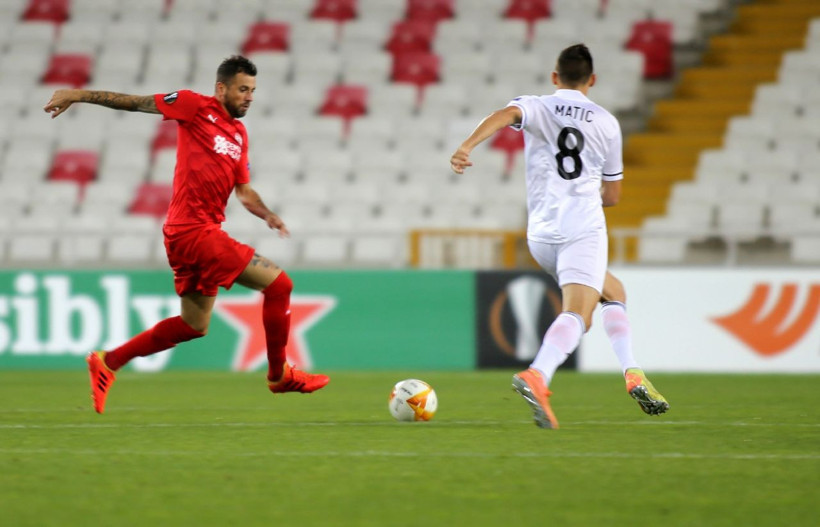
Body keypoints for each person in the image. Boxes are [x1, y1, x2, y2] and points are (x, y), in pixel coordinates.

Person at [44, 55, 330, 414]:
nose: (249, 97)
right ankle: (279, 375)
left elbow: (244, 192)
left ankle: (108, 361)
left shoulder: (239, 135)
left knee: (194, 325)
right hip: (193, 231)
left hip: (191, 234)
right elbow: (135, 103)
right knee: (279, 286)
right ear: (221, 88)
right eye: (243, 89)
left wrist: (267, 214)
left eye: (253, 91)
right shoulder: (193, 106)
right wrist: (77, 94)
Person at [450, 44, 668, 429]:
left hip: (541, 234)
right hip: (581, 229)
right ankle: (538, 374)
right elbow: (613, 196)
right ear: (592, 80)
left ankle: (632, 371)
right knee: (578, 315)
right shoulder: (606, 123)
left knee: (613, 292)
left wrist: (466, 146)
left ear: (555, 77)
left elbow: (503, 115)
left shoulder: (536, 106)